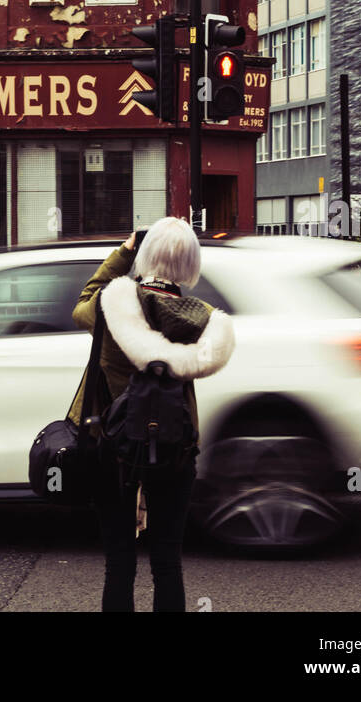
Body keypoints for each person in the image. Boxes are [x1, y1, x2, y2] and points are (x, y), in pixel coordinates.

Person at [68, 218, 235, 612]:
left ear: (144, 255)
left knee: (119, 564)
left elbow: (81, 304)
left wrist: (124, 252)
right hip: (174, 451)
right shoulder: (203, 320)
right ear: (191, 265)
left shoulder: (112, 307)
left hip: (113, 448)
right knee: (167, 561)